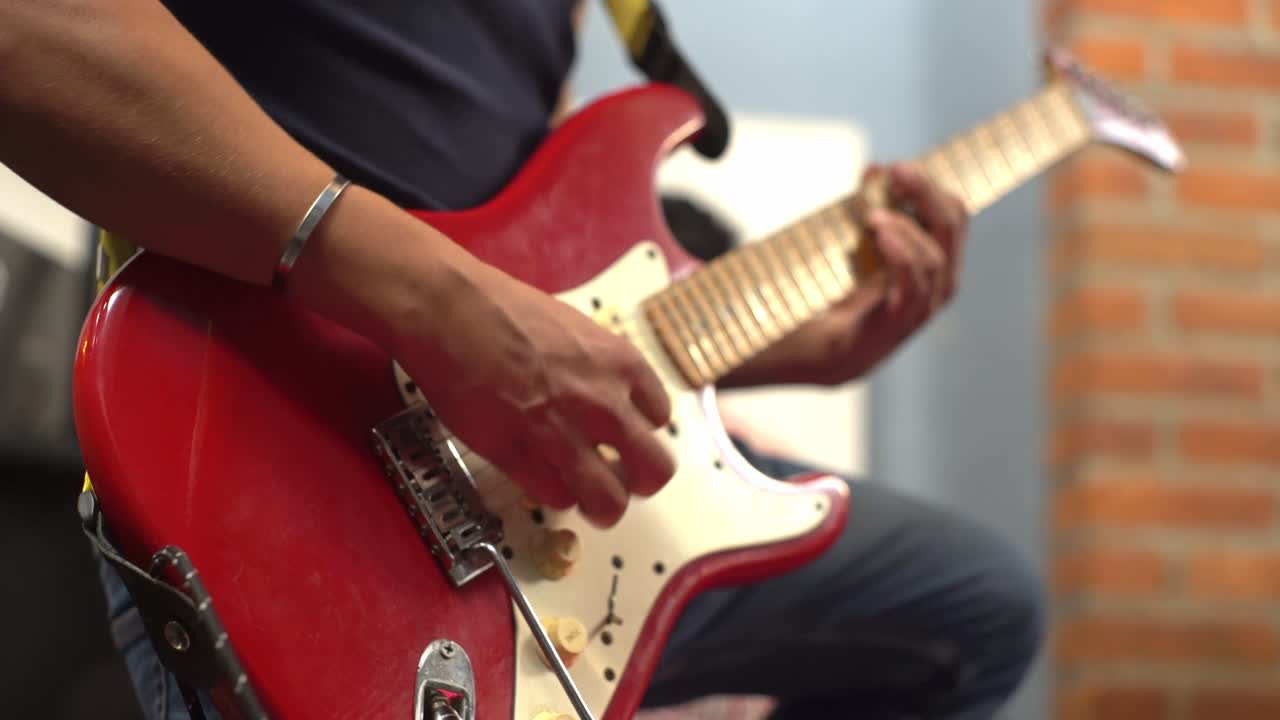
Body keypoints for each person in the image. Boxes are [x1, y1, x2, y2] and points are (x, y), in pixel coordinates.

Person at [0, 1, 1045, 718]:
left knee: (971, 608)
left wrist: (800, 350)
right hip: (278, 482)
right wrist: (423, 300)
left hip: (528, 521)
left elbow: (536, 265)